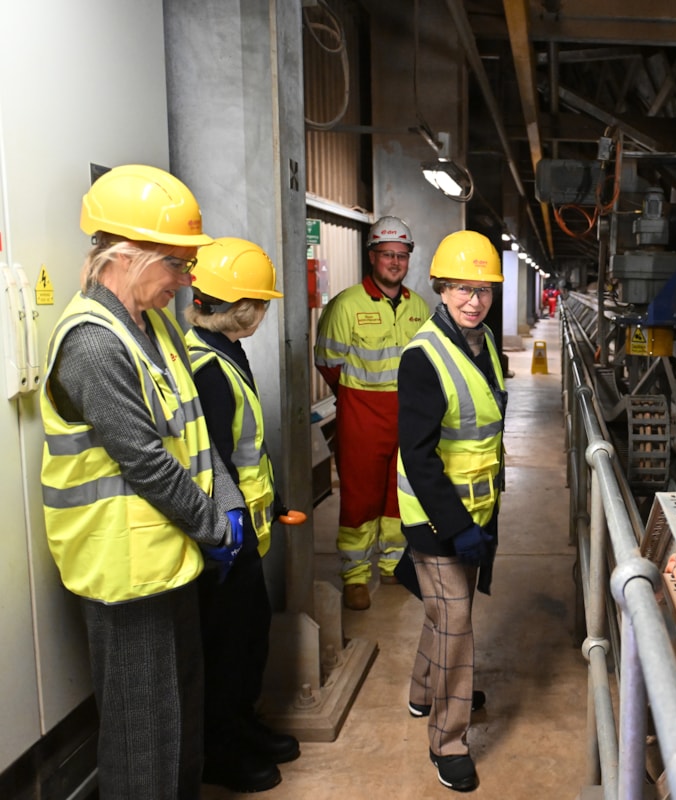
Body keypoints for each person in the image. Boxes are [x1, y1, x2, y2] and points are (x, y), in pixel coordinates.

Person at [39, 164, 246, 799]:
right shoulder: (94, 347)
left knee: (179, 718)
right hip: (126, 578)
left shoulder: (154, 325)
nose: (187, 281)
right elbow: (147, 461)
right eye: (177, 266)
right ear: (127, 258)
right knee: (142, 740)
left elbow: (195, 431)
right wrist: (216, 527)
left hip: (169, 560)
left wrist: (229, 503)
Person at [185, 237, 303, 792]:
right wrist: (227, 528)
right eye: (260, 303)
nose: (262, 313)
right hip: (224, 544)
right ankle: (220, 748)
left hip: (247, 535)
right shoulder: (208, 367)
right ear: (241, 307)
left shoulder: (226, 351)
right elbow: (213, 460)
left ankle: (242, 725)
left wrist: (272, 502)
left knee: (249, 639)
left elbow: (245, 447)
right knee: (228, 647)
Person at [396, 230, 506, 793]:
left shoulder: (483, 343)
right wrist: (458, 527)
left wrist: (484, 514)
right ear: (440, 288)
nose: (474, 300)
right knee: (457, 620)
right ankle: (449, 740)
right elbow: (417, 457)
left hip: (475, 511)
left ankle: (425, 692)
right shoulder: (423, 357)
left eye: (483, 289)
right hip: (437, 517)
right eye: (463, 288)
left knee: (444, 613)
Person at [314, 216, 430, 610]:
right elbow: (328, 362)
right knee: (360, 498)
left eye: (401, 255)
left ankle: (393, 563)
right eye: (387, 255)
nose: (395, 262)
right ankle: (355, 576)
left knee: (400, 496)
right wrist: (356, 399)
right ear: (372, 257)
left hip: (408, 416)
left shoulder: (420, 308)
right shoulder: (346, 305)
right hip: (362, 414)